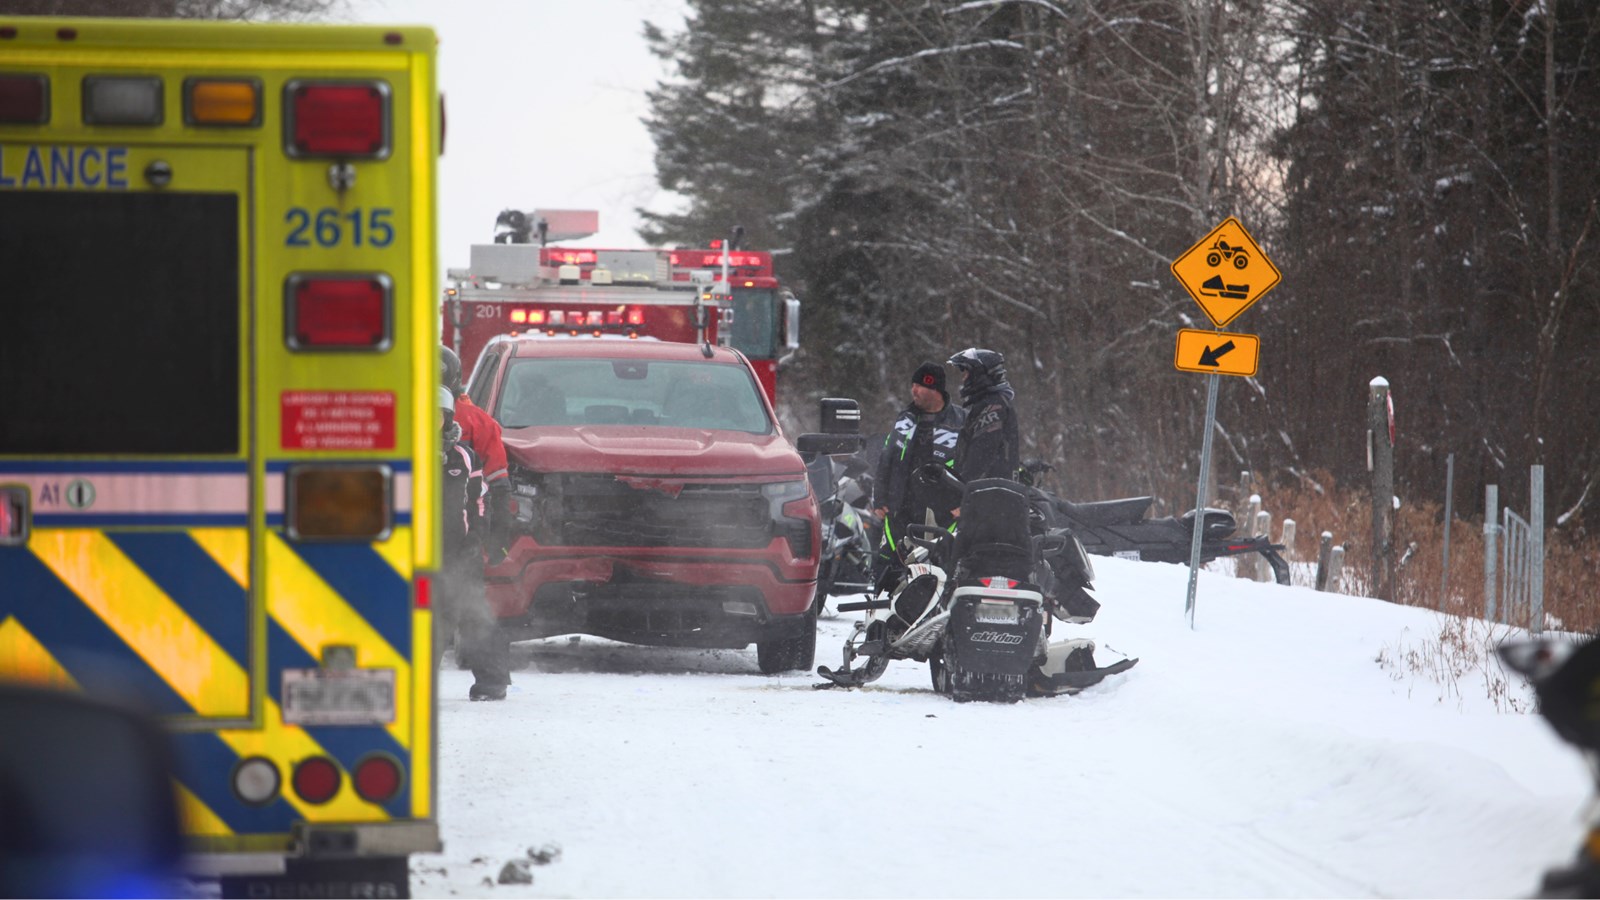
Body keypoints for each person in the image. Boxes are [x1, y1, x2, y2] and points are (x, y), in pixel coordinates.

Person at [439, 386, 513, 701]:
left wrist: (479, 536)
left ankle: (493, 681)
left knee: (473, 610)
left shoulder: (464, 457)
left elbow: (479, 498)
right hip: (412, 551)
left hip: (459, 550)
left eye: (438, 416)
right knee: (424, 618)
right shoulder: (402, 451)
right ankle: (411, 684)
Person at [871, 361, 966, 583]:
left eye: (920, 385)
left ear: (936, 390)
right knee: (888, 566)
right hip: (900, 508)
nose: (914, 390)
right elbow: (886, 460)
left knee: (935, 567)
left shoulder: (960, 421)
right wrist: (880, 499)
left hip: (942, 511)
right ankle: (883, 610)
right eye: (913, 384)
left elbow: (968, 466)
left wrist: (964, 501)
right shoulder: (905, 419)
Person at [442, 345, 512, 562]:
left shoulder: (397, 414)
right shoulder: (479, 422)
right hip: (461, 539)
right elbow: (498, 486)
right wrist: (497, 544)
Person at [948, 347, 1021, 485]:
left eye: (966, 373)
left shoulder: (994, 406)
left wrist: (960, 490)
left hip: (989, 497)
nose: (963, 378)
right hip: (988, 493)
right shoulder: (988, 405)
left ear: (979, 373)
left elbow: (981, 455)